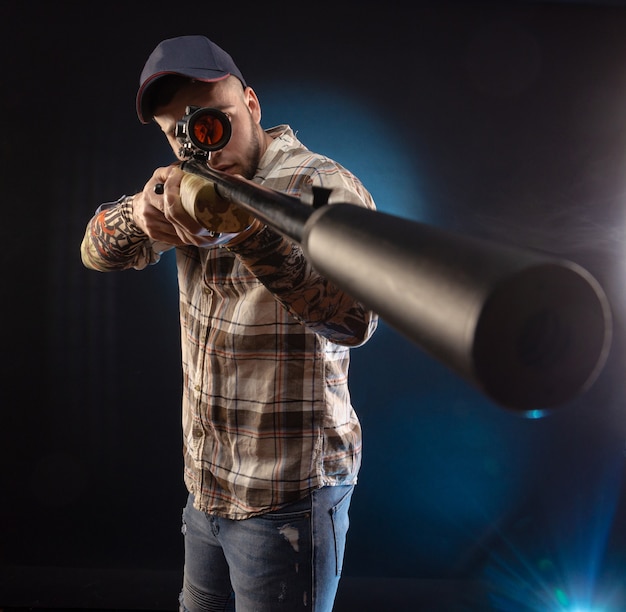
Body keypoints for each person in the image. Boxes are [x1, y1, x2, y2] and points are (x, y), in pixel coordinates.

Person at [80, 34, 378, 612]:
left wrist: (250, 234)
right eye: (177, 130)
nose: (200, 142)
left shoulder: (320, 189)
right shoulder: (182, 188)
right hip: (207, 488)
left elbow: (355, 320)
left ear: (251, 103)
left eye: (211, 119)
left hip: (288, 498)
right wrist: (139, 216)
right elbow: (92, 251)